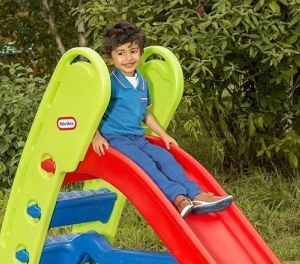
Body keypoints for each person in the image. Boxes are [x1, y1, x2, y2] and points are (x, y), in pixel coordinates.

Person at [91, 21, 233, 218]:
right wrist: (96, 136)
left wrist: (164, 135)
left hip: (138, 138)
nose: (128, 58)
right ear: (110, 57)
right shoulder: (109, 84)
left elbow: (145, 114)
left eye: (133, 51)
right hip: (116, 139)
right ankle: (178, 198)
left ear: (141, 53)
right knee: (146, 164)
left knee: (166, 158)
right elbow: (91, 112)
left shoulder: (142, 82)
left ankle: (196, 195)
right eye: (121, 53)